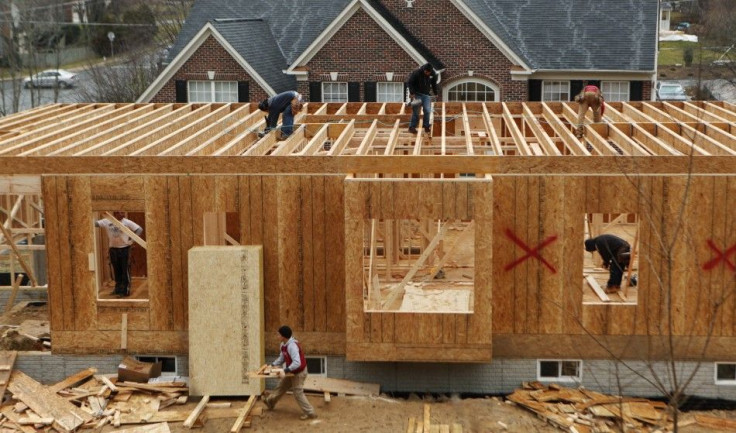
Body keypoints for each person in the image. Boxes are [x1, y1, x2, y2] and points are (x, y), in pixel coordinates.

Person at [263, 325, 317, 420]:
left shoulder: (292, 346)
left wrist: (285, 370)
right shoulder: (283, 344)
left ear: (283, 336)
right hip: (291, 370)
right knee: (281, 386)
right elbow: (282, 357)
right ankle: (270, 402)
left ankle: (310, 413)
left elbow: (297, 362)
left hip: (299, 372)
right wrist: (272, 365)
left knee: (298, 393)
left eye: (278, 334)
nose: (277, 336)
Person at [95, 211, 143, 297]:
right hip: (113, 249)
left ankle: (125, 291)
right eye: (121, 213)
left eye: (123, 213)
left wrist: (131, 241)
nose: (123, 215)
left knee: (125, 271)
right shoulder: (107, 221)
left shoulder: (126, 222)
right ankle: (117, 289)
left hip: (124, 249)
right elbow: (95, 224)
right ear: (115, 213)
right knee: (117, 271)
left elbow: (139, 229)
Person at [405, 63, 439, 134]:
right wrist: (412, 93)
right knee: (416, 112)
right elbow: (410, 83)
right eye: (426, 72)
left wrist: (435, 93)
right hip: (417, 94)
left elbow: (433, 84)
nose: (427, 74)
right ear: (424, 70)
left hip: (426, 95)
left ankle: (426, 126)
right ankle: (412, 127)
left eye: (428, 73)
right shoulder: (417, 73)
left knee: (427, 110)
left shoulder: (433, 74)